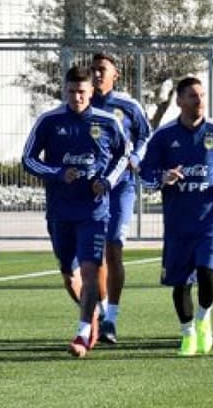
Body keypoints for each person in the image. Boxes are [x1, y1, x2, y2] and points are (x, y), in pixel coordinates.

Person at [23, 64, 129, 357]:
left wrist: (106, 181)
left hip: (93, 212)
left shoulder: (109, 122)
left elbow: (124, 156)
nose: (76, 98)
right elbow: (28, 159)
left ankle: (82, 332)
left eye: (81, 92)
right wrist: (58, 172)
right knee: (69, 274)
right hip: (60, 211)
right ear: (64, 90)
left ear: (92, 92)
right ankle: (93, 315)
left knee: (91, 269)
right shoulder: (49, 121)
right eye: (71, 92)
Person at [139, 77, 213, 356]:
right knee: (181, 284)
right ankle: (187, 333)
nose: (199, 101)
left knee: (208, 276)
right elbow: (145, 175)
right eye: (192, 96)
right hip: (179, 225)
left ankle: (204, 318)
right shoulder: (164, 137)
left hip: (212, 222)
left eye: (202, 95)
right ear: (179, 101)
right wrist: (163, 177)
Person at [89, 52, 152, 345]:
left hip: (121, 188)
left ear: (116, 75)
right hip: (89, 192)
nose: (97, 75)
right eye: (94, 70)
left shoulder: (127, 106)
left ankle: (112, 318)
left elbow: (146, 136)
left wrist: (136, 157)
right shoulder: (82, 105)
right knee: (93, 254)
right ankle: (100, 313)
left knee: (114, 247)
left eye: (103, 70)